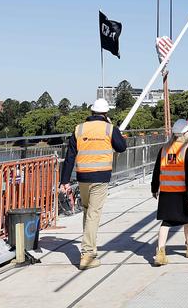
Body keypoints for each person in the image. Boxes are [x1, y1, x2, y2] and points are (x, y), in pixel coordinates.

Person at [59, 98, 127, 270]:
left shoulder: (79, 129)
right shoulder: (109, 128)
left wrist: (64, 181)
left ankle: (88, 248)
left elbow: (69, 157)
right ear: (105, 114)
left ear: (91, 112)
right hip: (100, 178)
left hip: (83, 177)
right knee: (93, 214)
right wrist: (114, 128)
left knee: (88, 212)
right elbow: (121, 147)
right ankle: (88, 254)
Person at [151, 118, 188, 266]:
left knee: (166, 222)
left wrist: (154, 188)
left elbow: (156, 171)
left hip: (166, 192)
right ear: (186, 133)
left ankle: (160, 253)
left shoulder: (164, 149)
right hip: (182, 192)